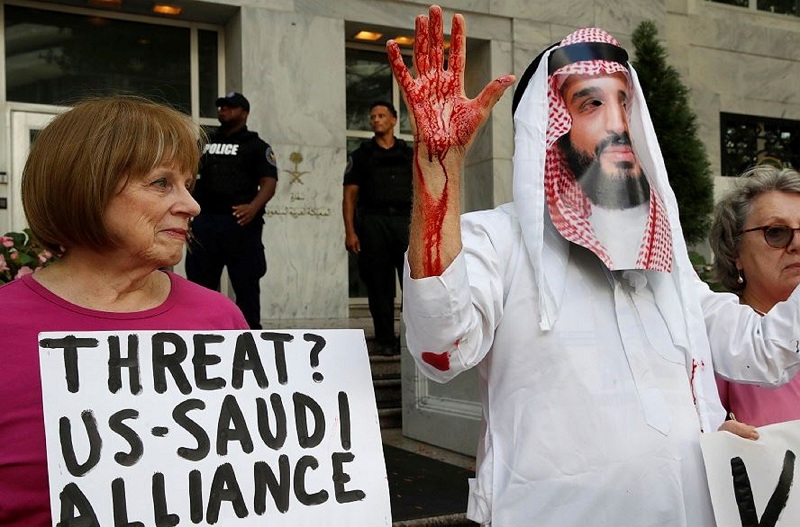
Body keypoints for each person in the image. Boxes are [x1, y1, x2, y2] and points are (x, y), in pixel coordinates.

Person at [388, 5, 798, 526]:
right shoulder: (497, 241)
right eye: (591, 103)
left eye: (624, 103)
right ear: (548, 128)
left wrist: (706, 436)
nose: (617, 124)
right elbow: (441, 348)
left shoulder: (666, 266)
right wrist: (438, 170)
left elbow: (764, 349)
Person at [0, 96, 249, 526]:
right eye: (161, 183)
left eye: (188, 184)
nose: (192, 205)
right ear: (85, 186)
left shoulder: (220, 318)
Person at [710, 165, 800, 427]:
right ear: (734, 252)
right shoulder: (713, 342)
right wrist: (711, 436)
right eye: (776, 232)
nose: (797, 244)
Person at [185, 91, 278, 329]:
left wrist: (253, 208)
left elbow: (269, 182)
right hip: (206, 222)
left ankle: (249, 336)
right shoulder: (205, 142)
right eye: (221, 107)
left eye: (229, 107)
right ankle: (200, 332)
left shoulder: (256, 146)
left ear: (244, 113)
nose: (223, 110)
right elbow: (186, 175)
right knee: (199, 286)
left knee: (246, 284)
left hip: (240, 224)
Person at [342, 101, 414, 356]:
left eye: (382, 115)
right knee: (379, 286)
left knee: (413, 286)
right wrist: (350, 231)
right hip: (373, 224)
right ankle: (385, 341)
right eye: (373, 116)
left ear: (394, 120)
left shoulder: (409, 154)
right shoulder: (361, 155)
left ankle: (412, 340)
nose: (376, 120)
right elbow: (349, 197)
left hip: (405, 223)